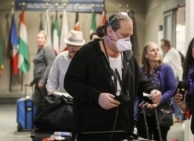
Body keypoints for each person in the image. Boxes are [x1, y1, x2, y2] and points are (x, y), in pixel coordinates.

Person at [64, 12, 162, 141]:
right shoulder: (87, 53)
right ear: (110, 31)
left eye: (130, 36)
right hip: (92, 132)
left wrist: (151, 92)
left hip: (123, 131)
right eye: (124, 35)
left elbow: (140, 84)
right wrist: (97, 97)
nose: (127, 40)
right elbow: (70, 83)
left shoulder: (128, 56)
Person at [135, 42, 176, 141]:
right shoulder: (140, 71)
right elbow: (137, 90)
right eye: (153, 50)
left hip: (161, 112)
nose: (156, 52)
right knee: (144, 138)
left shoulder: (166, 68)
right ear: (146, 55)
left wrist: (158, 101)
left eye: (157, 50)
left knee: (161, 138)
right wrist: (144, 101)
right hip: (143, 112)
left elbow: (172, 89)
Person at [46, 30, 85, 95]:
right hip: (62, 97)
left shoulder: (86, 59)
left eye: (77, 46)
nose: (74, 49)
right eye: (71, 46)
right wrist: (50, 92)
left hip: (80, 98)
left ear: (81, 47)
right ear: (67, 45)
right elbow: (52, 79)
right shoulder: (60, 58)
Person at [30, 30, 56, 107]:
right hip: (38, 81)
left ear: (46, 39)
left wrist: (42, 80)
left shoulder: (47, 49)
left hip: (44, 82)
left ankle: (44, 119)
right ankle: (38, 119)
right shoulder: (39, 50)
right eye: (38, 38)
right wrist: (33, 81)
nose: (39, 39)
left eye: (42, 38)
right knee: (37, 102)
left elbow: (50, 65)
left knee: (43, 103)